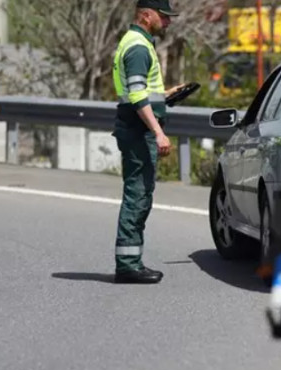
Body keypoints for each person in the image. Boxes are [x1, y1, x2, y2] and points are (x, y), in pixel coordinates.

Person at [111, 0, 183, 284]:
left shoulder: (136, 42)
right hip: (138, 131)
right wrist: (158, 132)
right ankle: (128, 264)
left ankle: (131, 262)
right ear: (146, 15)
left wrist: (165, 95)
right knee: (137, 195)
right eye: (163, 17)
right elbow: (138, 97)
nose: (167, 22)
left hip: (134, 128)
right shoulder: (138, 47)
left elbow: (142, 93)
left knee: (139, 194)